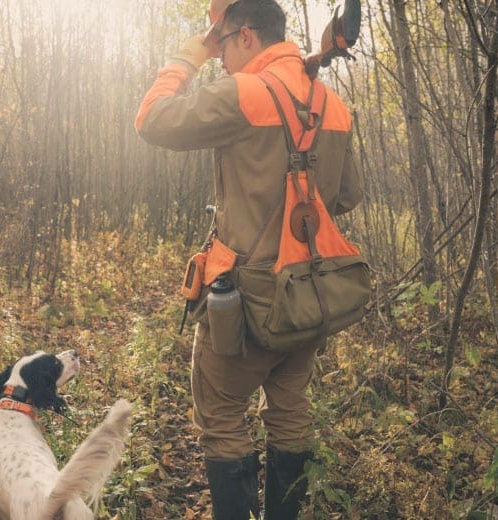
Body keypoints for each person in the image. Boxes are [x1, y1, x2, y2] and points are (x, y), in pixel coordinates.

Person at [135, 0, 362, 518]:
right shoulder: (334, 105)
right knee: (290, 413)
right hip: (309, 296)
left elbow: (150, 119)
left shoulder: (244, 92)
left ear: (243, 37)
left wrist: (188, 56)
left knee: (221, 417)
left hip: (244, 304)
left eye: (221, 45)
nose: (220, 60)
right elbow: (345, 197)